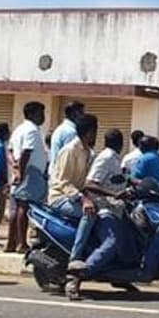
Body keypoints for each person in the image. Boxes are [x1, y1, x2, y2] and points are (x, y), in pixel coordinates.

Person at [67, 128, 135, 299]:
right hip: (104, 208)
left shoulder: (115, 158)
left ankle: (121, 275)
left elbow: (118, 179)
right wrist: (113, 195)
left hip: (117, 208)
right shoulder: (105, 158)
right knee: (112, 241)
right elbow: (90, 184)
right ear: (120, 143)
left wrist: (137, 183)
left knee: (132, 235)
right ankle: (78, 276)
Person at [46, 114, 99, 294]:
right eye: (94, 131)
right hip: (60, 197)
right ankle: (74, 261)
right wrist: (83, 199)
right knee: (90, 214)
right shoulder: (70, 150)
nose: (95, 135)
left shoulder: (88, 152)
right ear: (87, 132)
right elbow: (63, 181)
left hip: (76, 195)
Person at [8, 102, 49, 253]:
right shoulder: (31, 130)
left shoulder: (19, 129)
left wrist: (15, 167)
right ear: (32, 114)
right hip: (30, 172)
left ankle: (11, 242)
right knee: (23, 208)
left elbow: (10, 151)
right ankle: (21, 243)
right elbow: (26, 152)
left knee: (17, 207)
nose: (43, 117)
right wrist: (21, 171)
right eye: (41, 113)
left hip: (23, 171)